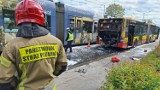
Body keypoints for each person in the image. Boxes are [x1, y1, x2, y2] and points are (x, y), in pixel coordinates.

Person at [0, 0, 67, 90]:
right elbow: (62, 66)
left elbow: (5, 81)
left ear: (17, 19)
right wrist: (48, 74)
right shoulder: (57, 42)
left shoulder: (11, 47)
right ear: (42, 17)